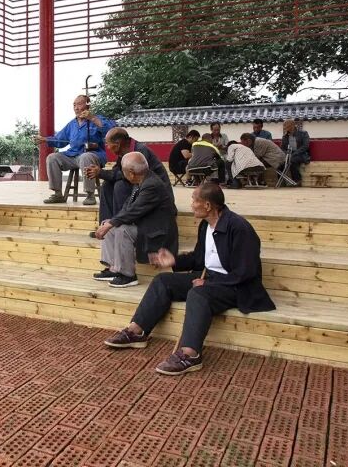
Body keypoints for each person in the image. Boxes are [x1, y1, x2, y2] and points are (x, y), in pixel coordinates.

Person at [103, 181, 276, 375]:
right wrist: (173, 261)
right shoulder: (206, 225)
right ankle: (137, 331)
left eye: (194, 200)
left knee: (198, 294)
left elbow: (246, 272)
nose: (191, 205)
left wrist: (209, 283)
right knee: (163, 281)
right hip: (210, 278)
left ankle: (190, 354)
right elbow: (198, 259)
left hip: (237, 286)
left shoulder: (239, 228)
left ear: (207, 205)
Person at [92, 152, 178, 288]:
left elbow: (133, 211)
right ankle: (113, 269)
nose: (123, 174)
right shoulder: (141, 180)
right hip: (145, 226)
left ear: (131, 173)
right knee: (109, 224)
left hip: (157, 234)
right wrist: (109, 223)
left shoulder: (152, 185)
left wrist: (111, 224)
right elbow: (127, 206)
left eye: (123, 171)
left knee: (122, 229)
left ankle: (128, 275)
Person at [33, 95, 114, 205]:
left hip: (93, 154)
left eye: (79, 104)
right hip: (72, 155)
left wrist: (92, 118)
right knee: (52, 158)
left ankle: (90, 195)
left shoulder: (96, 119)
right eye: (74, 105)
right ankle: (57, 194)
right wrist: (44, 139)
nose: (76, 108)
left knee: (86, 157)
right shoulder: (72, 124)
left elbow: (111, 130)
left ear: (87, 105)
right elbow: (59, 139)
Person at [85, 127, 171, 228]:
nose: (107, 147)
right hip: (138, 186)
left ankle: (120, 226)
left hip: (155, 195)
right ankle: (105, 226)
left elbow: (127, 175)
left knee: (120, 185)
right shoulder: (124, 151)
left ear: (117, 144)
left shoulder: (140, 152)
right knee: (107, 185)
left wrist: (101, 173)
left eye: (108, 144)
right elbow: (118, 171)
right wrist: (100, 173)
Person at [281, 119, 311, 186]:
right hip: (289, 154)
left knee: (292, 160)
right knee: (279, 162)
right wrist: (286, 154)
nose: (284, 127)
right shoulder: (285, 136)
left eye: (286, 126)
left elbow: (305, 146)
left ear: (293, 125)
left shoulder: (303, 133)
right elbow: (282, 148)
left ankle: (297, 180)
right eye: (284, 126)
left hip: (301, 154)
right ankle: (282, 181)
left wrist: (294, 154)